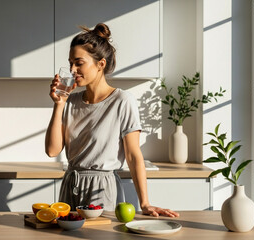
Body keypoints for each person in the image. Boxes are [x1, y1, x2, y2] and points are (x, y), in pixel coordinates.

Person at [45, 23, 179, 217]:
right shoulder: (70, 101)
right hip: (70, 186)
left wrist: (145, 203)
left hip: (102, 190)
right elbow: (52, 150)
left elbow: (133, 156)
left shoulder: (122, 101)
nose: (73, 69)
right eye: (70, 63)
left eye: (79, 63)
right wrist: (58, 104)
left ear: (101, 64)